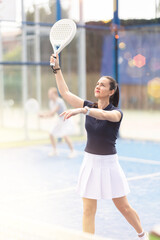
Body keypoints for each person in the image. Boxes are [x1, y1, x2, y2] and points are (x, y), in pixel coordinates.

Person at [50, 53, 149, 240]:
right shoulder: (90, 105)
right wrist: (57, 68)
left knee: (124, 207)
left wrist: (83, 110)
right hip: (89, 163)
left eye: (102, 84)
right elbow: (65, 93)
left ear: (111, 92)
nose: (98, 86)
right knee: (88, 210)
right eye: (97, 83)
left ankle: (142, 235)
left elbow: (103, 115)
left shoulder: (116, 113)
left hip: (109, 165)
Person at [39, 87, 76, 158]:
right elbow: (52, 115)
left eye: (50, 94)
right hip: (60, 120)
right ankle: (55, 150)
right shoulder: (51, 102)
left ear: (55, 94)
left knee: (65, 135)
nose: (49, 96)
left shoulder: (59, 101)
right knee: (51, 133)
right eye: (48, 94)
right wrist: (43, 115)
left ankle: (72, 151)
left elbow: (52, 113)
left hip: (66, 119)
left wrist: (42, 115)